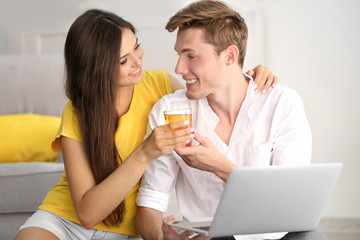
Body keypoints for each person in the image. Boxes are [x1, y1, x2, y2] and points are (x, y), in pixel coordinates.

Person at [14, 8, 277, 240]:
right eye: (123, 60)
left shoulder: (160, 86)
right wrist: (145, 152)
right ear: (98, 69)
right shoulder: (77, 111)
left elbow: (211, 87)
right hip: (64, 220)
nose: (138, 62)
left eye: (136, 47)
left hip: (126, 231)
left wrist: (250, 75)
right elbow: (87, 214)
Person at [135, 1, 312, 239]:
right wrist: (163, 236)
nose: (179, 68)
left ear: (229, 56)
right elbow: (151, 200)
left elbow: (287, 202)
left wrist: (220, 167)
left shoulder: (281, 103)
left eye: (191, 56)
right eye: (179, 55)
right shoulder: (170, 110)